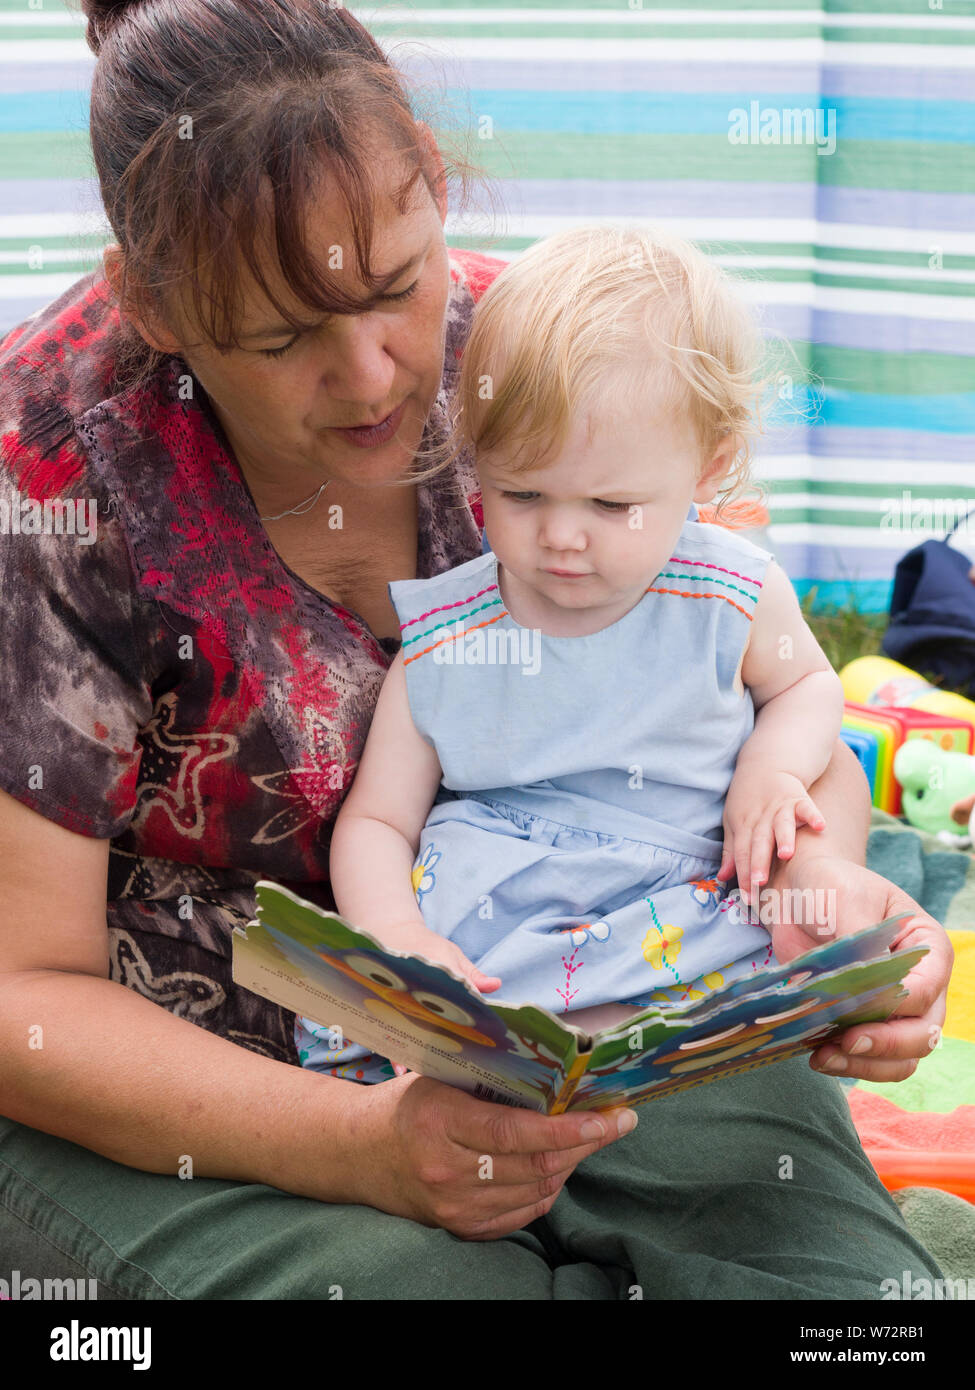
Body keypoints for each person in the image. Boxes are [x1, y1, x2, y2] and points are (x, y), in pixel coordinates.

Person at [0, 0, 953, 1298]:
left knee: (835, 1299)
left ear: (436, 191)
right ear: (152, 305)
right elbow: (22, 999)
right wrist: (364, 1149)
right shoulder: (50, 486)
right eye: (280, 338)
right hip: (211, 1070)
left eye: (396, 283)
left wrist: (823, 900)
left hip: (613, 999)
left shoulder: (553, 365)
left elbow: (747, 711)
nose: (372, 373)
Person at [295, 225, 848, 1082]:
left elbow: (807, 686)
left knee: (744, 1033)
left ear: (709, 467)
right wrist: (398, 937)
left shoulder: (727, 596)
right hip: (490, 940)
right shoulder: (451, 638)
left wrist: (771, 772)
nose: (560, 536)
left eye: (610, 502)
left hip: (673, 922)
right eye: (520, 492)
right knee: (430, 1070)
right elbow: (377, 819)